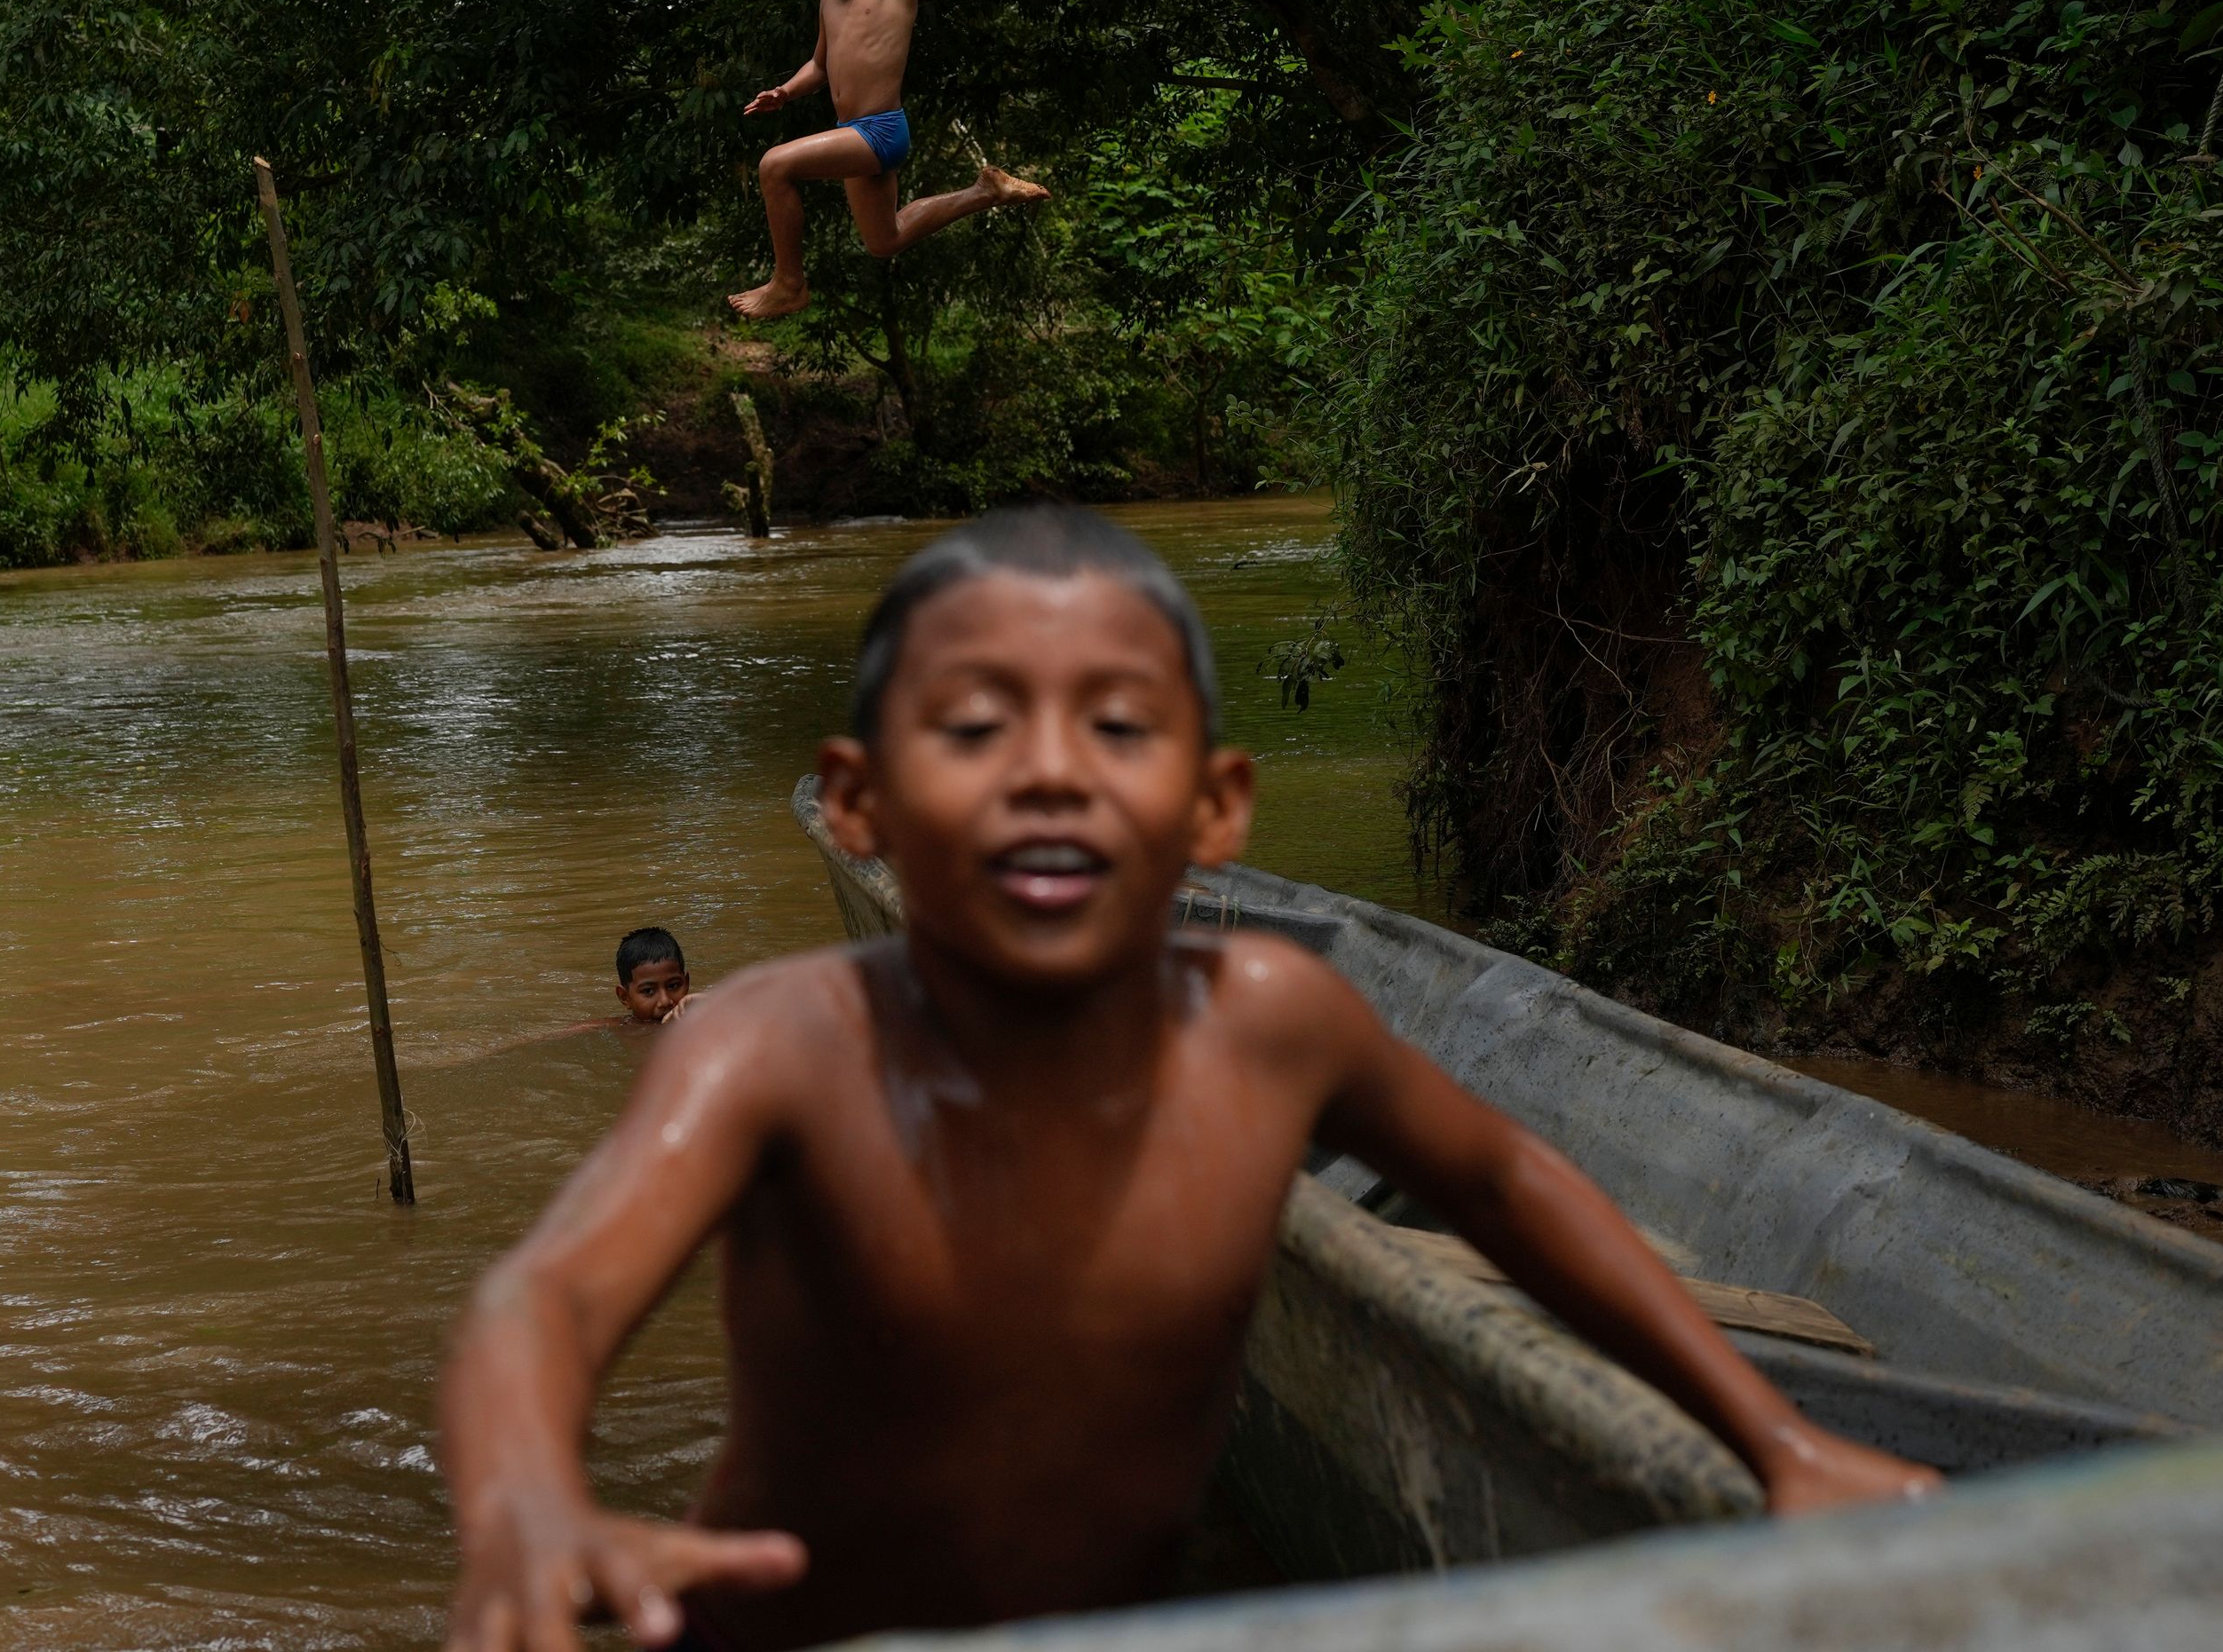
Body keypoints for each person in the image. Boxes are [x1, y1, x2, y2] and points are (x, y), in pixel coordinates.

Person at [437, 508, 1937, 1652]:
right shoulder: (768, 1046)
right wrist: (525, 1499)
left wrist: (1778, 1440)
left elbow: (1501, 1178)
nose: (1048, 770)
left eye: (1117, 726)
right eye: (974, 726)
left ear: (1214, 807)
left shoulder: (1274, 1024)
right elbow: (544, 1299)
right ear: (859, 804)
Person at [728, 0, 1050, 321]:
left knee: (774, 165)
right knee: (885, 240)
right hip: (851, 131)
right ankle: (986, 191)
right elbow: (820, 67)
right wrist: (786, 92)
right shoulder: (829, 2)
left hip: (880, 131)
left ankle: (789, 283)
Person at [612, 928, 695, 1029]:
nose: (665, 1001)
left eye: (673, 986)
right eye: (648, 991)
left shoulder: (701, 1022)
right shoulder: (617, 1029)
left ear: (686, 984)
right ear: (624, 998)